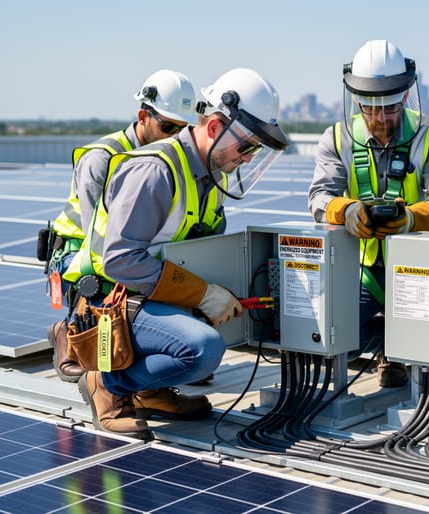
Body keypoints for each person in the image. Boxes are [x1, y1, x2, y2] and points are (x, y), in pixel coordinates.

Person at [63, 68, 289, 438]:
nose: (249, 158)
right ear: (214, 127)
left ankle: (150, 390)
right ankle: (108, 383)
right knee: (203, 349)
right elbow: (119, 260)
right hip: (112, 300)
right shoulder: (155, 171)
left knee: (214, 342)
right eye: (247, 145)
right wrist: (202, 294)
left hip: (152, 295)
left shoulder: (211, 175)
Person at [308, 40, 429, 388]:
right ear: (357, 100)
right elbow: (319, 197)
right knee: (334, 342)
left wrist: (410, 220)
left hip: (420, 270)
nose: (379, 118)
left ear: (406, 97)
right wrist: (346, 211)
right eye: (370, 108)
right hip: (364, 273)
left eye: (389, 108)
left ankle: (399, 349)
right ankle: (389, 342)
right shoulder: (336, 138)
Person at [46, 70, 196, 383]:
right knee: (108, 285)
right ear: (143, 116)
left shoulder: (167, 162)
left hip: (114, 252)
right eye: (167, 126)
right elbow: (97, 239)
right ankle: (70, 328)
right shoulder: (102, 158)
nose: (174, 137)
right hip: (77, 255)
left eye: (183, 129)